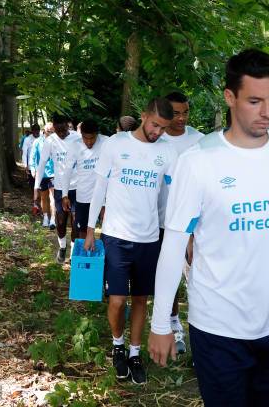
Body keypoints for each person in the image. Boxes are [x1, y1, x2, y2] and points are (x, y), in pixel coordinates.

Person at [148, 49, 269, 406]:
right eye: (255, 101)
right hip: (217, 327)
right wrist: (161, 322)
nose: (267, 113)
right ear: (230, 97)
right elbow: (174, 245)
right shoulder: (198, 162)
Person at [83, 98, 177, 384]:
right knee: (117, 299)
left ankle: (135, 353)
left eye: (163, 128)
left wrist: (170, 231)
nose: (158, 131)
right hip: (116, 235)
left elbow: (168, 197)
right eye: (155, 124)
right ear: (144, 116)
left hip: (149, 238)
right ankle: (118, 345)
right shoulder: (116, 144)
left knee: (140, 299)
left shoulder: (168, 152)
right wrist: (90, 229)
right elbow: (100, 186)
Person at [159, 91, 205, 354]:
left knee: (196, 276)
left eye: (185, 112)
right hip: (164, 222)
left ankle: (201, 332)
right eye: (175, 113)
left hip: (197, 225)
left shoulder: (199, 141)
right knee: (171, 275)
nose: (181, 118)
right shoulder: (158, 140)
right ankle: (173, 323)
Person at [34, 115, 81, 263]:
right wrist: (36, 186)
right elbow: (41, 164)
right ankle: (62, 247)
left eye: (63, 130)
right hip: (60, 187)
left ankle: (73, 253)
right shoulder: (50, 141)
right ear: (54, 127)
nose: (61, 133)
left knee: (75, 222)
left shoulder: (77, 138)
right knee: (60, 221)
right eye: (58, 130)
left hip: (78, 187)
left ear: (68, 126)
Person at [61, 119, 108, 239]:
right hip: (83, 196)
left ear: (97, 134)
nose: (88, 142)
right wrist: (64, 195)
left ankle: (103, 256)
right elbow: (67, 171)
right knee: (82, 231)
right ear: (81, 135)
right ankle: (84, 256)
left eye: (92, 138)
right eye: (85, 138)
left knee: (108, 229)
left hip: (105, 195)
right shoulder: (75, 145)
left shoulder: (107, 142)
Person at [30, 122, 55, 228]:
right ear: (44, 130)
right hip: (41, 173)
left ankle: (53, 219)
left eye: (52, 131)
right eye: (48, 131)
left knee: (53, 197)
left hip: (53, 173)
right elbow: (32, 156)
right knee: (44, 197)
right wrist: (33, 169)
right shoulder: (37, 142)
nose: (50, 132)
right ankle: (45, 217)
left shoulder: (56, 142)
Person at [22, 124, 40, 190]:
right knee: (32, 182)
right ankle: (34, 196)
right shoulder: (27, 139)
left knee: (40, 183)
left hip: (40, 164)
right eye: (35, 132)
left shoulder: (41, 138)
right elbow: (24, 153)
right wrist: (25, 165)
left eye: (38, 132)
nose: (36, 134)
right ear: (32, 131)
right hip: (31, 165)